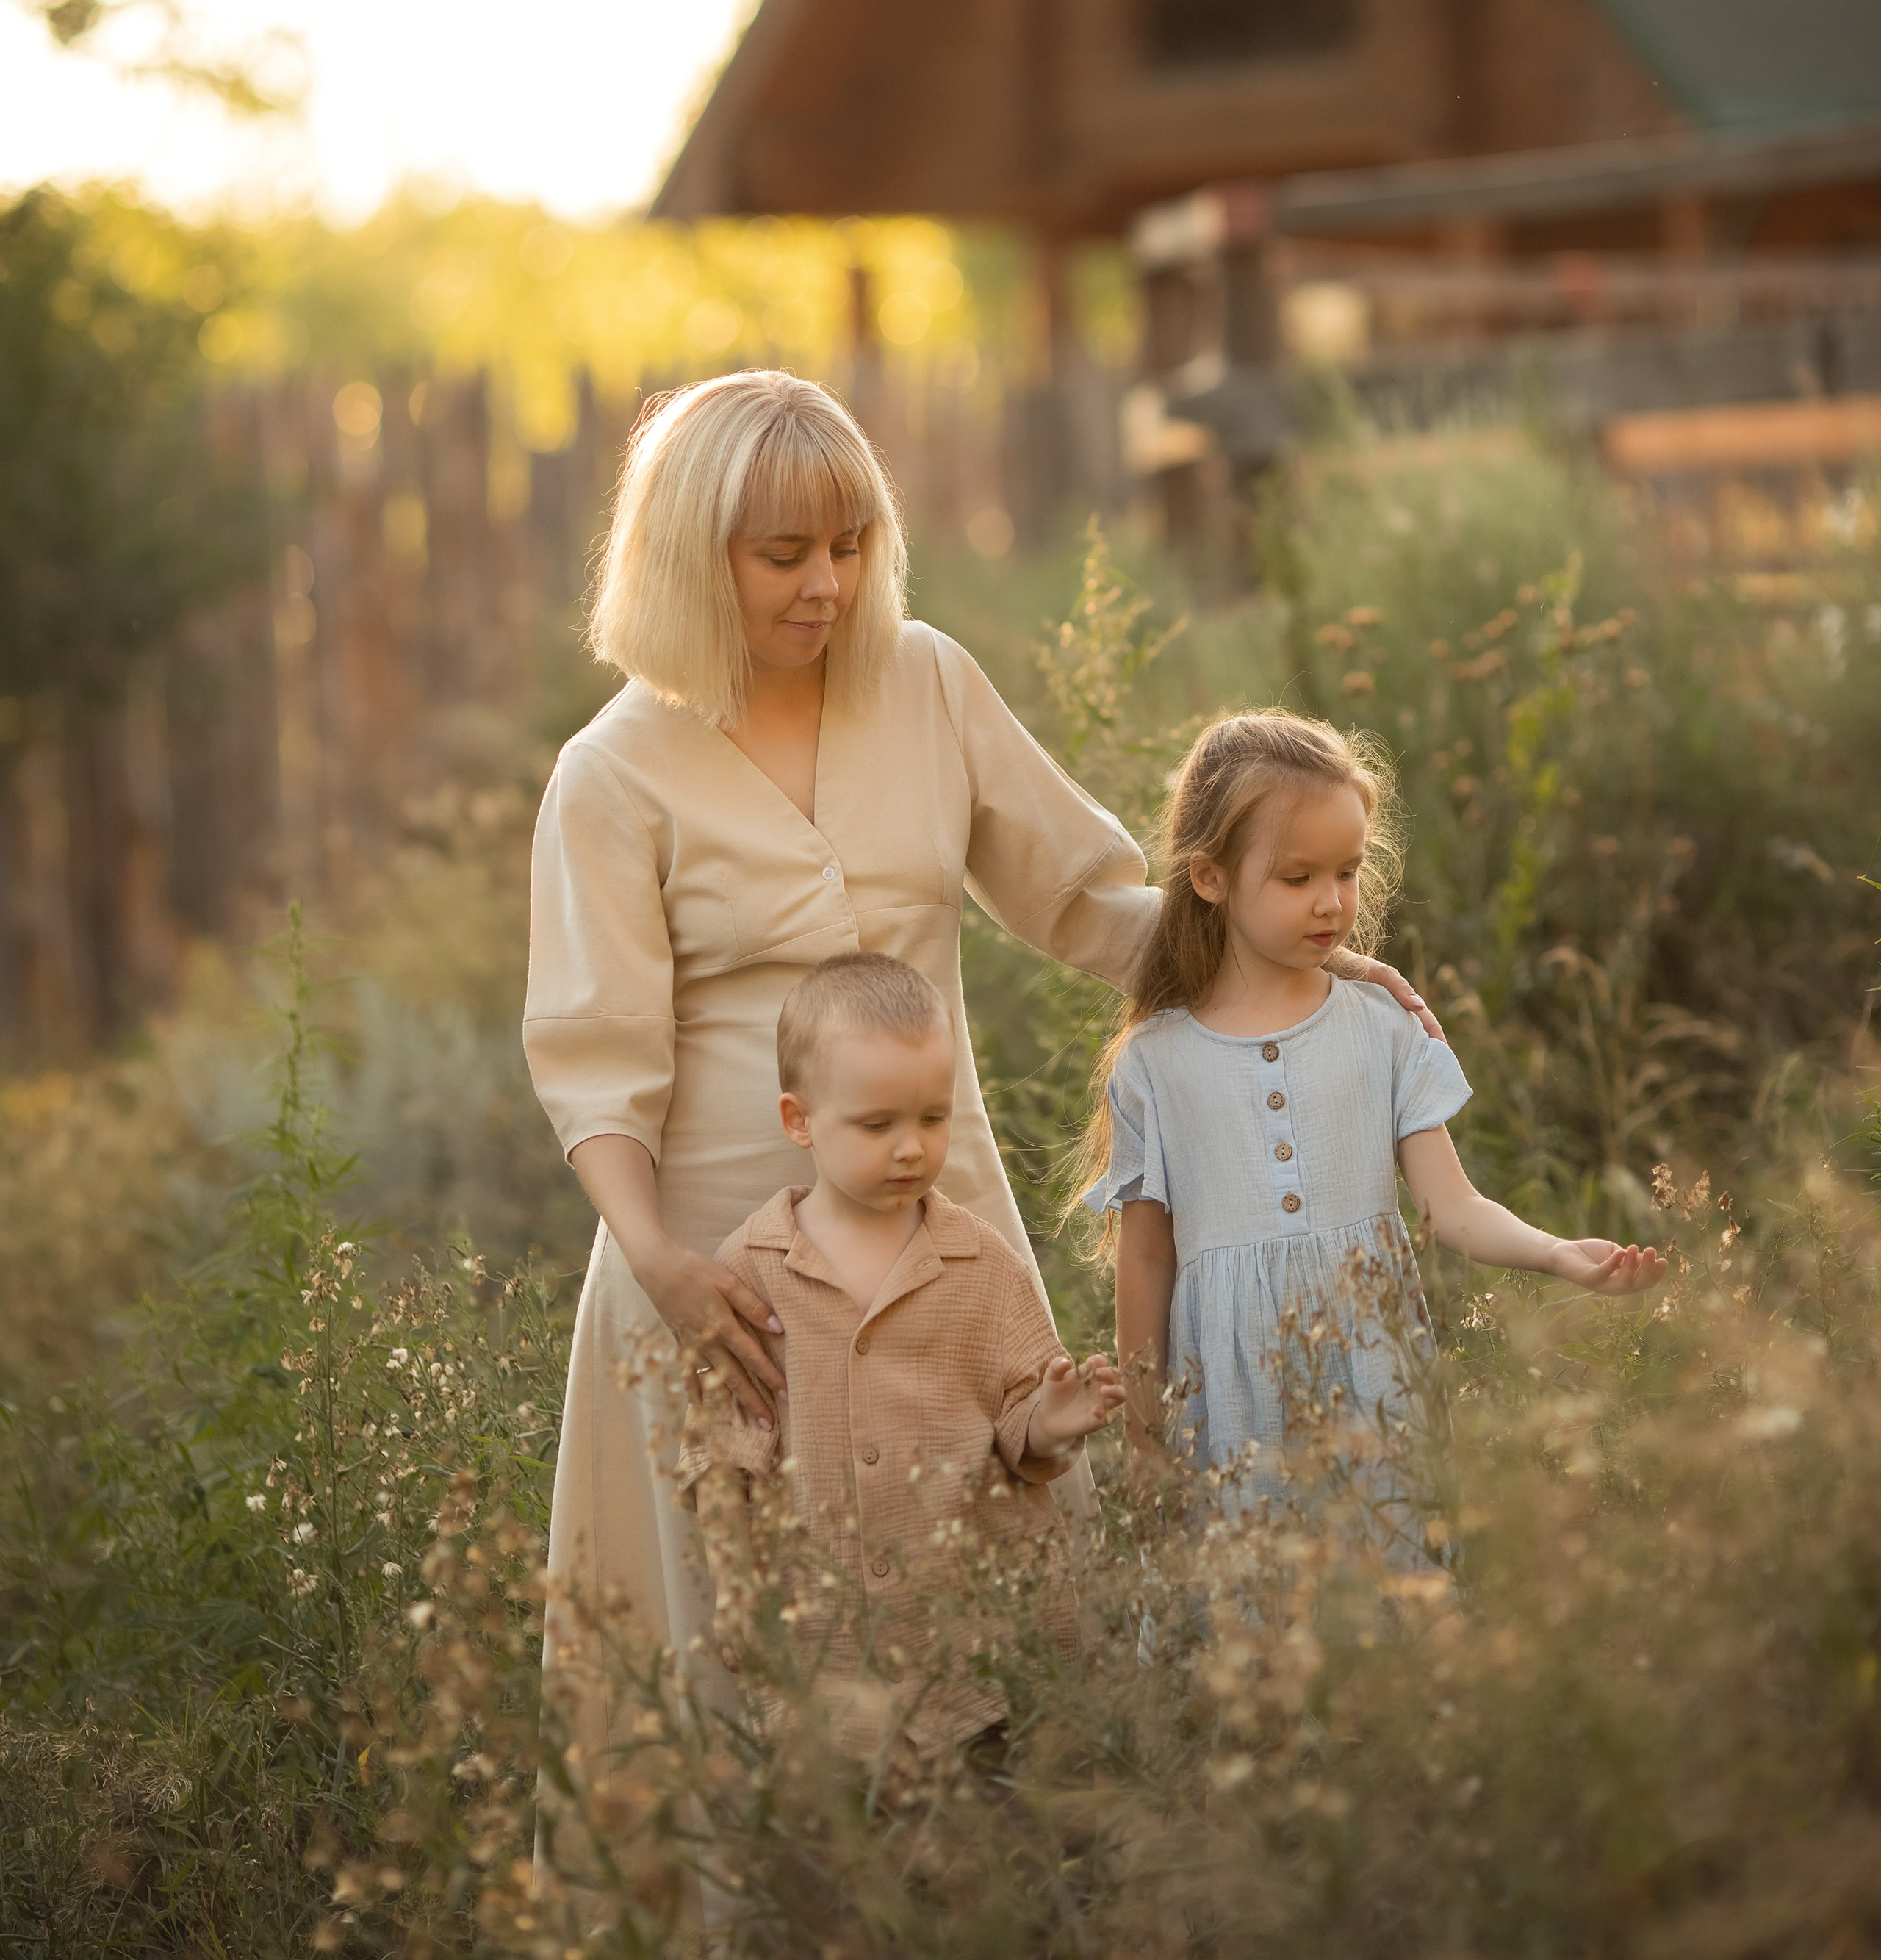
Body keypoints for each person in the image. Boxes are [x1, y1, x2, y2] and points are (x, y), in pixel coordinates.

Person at [522, 370, 1440, 1727]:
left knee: (987, 1581)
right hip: (716, 1267)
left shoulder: (928, 682)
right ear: (683, 556)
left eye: (849, 545)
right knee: (742, 1643)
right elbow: (593, 1052)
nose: (826, 583)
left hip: (936, 1217)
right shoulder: (610, 773)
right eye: (782, 554)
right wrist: (658, 1261)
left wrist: (1267, 946)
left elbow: (1079, 905)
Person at [1078, 710, 1665, 1553]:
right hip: (1229, 1398)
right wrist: (1144, 1437)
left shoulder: (1382, 1028)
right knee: (1250, 1627)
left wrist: (1556, 1253)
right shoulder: (1155, 1062)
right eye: (1296, 878)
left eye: (1348, 871)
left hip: (1373, 1378)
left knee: (1390, 1604)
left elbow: (1452, 1206)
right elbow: (1145, 1258)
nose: (1331, 901)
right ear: (1208, 878)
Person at [679, 951, 1122, 1756]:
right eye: (877, 1125)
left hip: (976, 1665)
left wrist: (1052, 1422)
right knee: (843, 1869)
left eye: (931, 1118)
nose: (911, 1148)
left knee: (989, 1859)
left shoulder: (982, 1266)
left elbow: (1020, 1427)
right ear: (798, 1119)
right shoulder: (752, 1273)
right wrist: (737, 1592)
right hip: (823, 1670)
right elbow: (722, 1458)